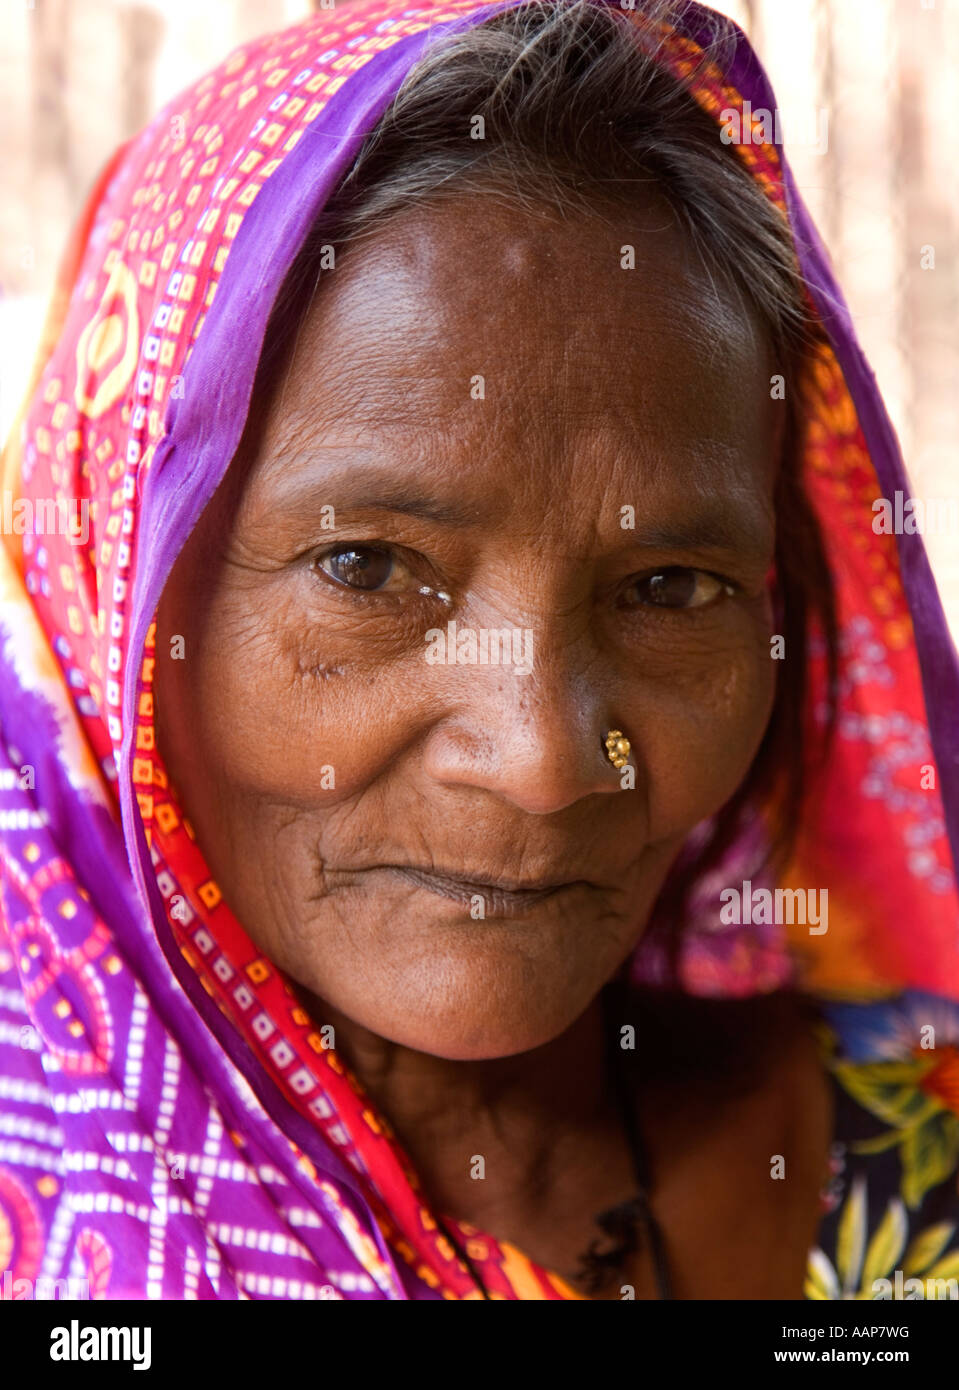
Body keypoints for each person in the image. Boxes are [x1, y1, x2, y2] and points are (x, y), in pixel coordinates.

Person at [0, 0, 956, 1301]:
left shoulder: (922, 1155)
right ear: (120, 588)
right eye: (367, 568)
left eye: (670, 586)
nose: (545, 760)